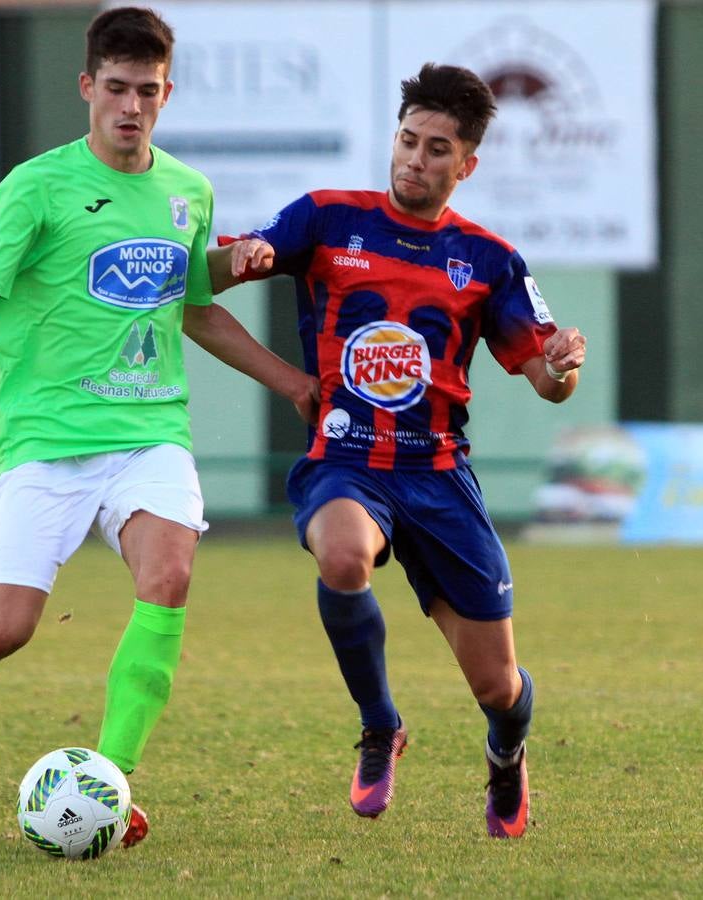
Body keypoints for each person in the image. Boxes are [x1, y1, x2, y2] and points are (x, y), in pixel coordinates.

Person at [0, 6, 316, 847]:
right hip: (46, 440)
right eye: (118, 88)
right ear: (87, 86)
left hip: (149, 430)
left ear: (167, 94)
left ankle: (110, 783)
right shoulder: (35, 186)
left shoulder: (186, 190)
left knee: (168, 576)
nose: (132, 106)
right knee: (1, 631)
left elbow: (193, 308)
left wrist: (292, 381)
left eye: (149, 91)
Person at [212, 63, 586, 838]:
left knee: (497, 687)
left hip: (439, 476)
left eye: (436, 148)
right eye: (408, 140)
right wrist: (242, 255)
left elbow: (548, 384)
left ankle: (506, 754)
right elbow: (220, 271)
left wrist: (562, 365)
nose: (415, 159)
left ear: (466, 164)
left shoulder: (490, 259)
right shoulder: (325, 217)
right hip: (346, 460)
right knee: (341, 555)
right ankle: (380, 724)